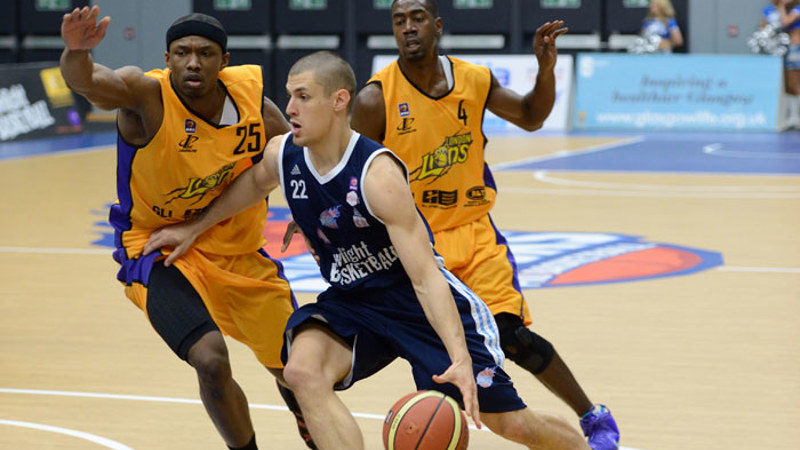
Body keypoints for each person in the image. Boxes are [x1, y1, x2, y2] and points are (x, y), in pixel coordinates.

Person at [143, 50, 590, 450]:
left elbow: (426, 278)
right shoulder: (285, 154)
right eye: (288, 97)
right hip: (355, 303)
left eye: (302, 97)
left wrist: (458, 359)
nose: (290, 110)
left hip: (416, 303)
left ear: (339, 101)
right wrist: (194, 228)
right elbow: (254, 182)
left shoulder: (377, 176)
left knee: (510, 423)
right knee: (301, 372)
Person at [347, 1, 619, 449]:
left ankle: (592, 416)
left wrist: (545, 70)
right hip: (418, 249)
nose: (408, 28)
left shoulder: (474, 80)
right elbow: (352, 174)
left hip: (475, 233)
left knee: (513, 337)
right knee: (443, 384)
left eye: (417, 18)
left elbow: (532, 117)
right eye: (399, 21)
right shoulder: (375, 99)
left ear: (437, 26)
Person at [59, 7, 315, 449]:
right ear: (168, 57)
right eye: (182, 53)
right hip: (159, 249)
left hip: (237, 249)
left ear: (224, 61)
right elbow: (91, 84)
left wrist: (310, 209)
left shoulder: (254, 106)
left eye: (204, 53)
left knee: (297, 370)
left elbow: (305, 155)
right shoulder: (146, 96)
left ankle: (311, 424)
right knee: (211, 359)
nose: (192, 62)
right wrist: (76, 53)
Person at [762, 0, 800, 128]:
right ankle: (793, 117)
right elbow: (764, 29)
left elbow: (785, 22)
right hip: (784, 49)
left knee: (795, 82)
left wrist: (781, 7)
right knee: (789, 83)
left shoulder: (797, 9)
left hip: (797, 48)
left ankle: (796, 116)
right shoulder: (769, 10)